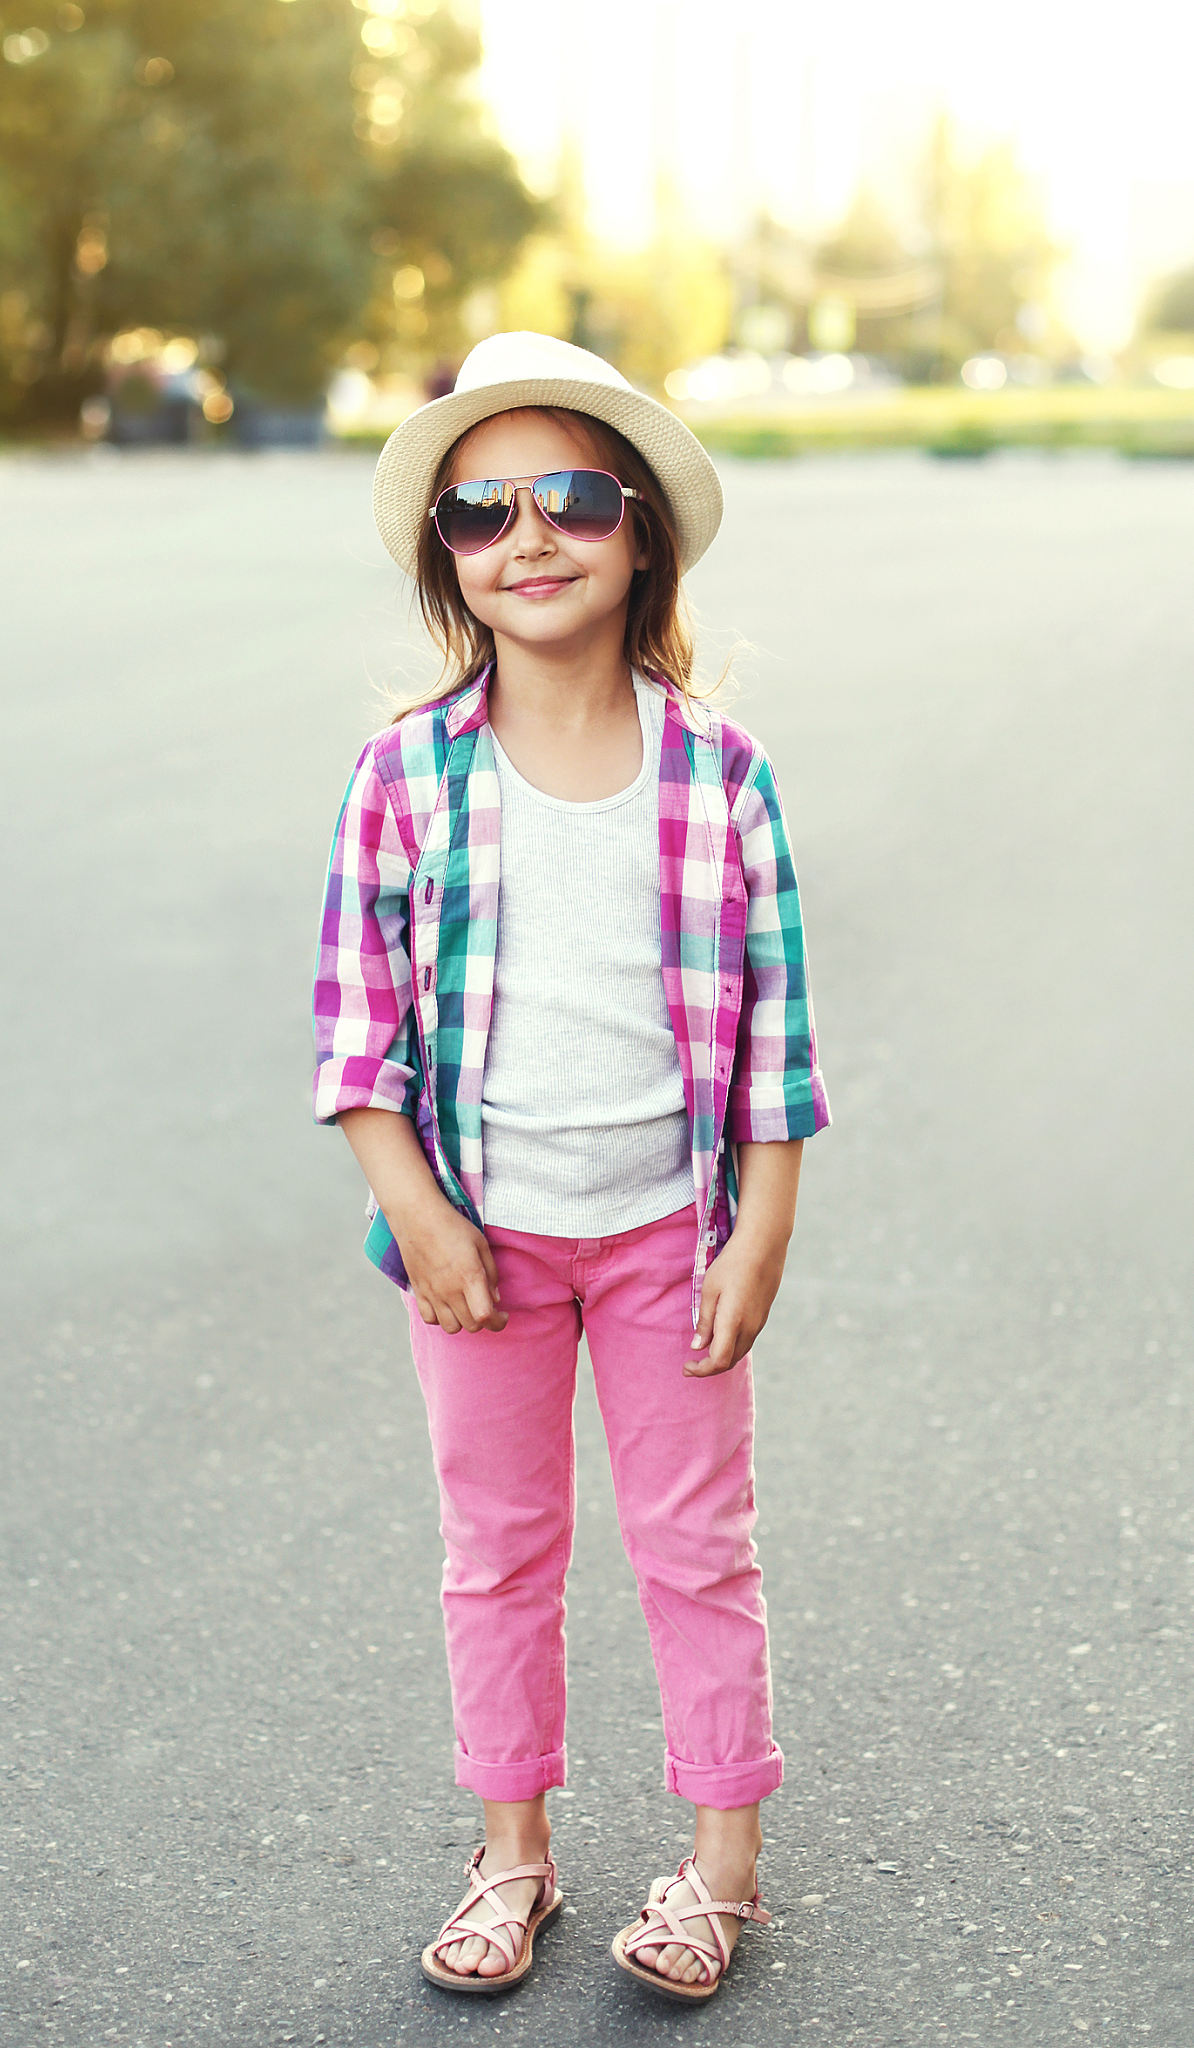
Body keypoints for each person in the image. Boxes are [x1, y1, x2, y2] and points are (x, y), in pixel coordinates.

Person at [312, 331, 830, 2004]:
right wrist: (415, 1210)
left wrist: (761, 1231)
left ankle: (720, 1868)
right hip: (484, 1246)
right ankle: (513, 1853)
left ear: (640, 537)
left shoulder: (721, 776)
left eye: (574, 499)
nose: (529, 535)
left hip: (670, 1238)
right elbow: (356, 1030)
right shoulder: (405, 776)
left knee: (698, 1548)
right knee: (498, 1548)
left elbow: (775, 1039)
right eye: (481, 511)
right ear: (449, 561)